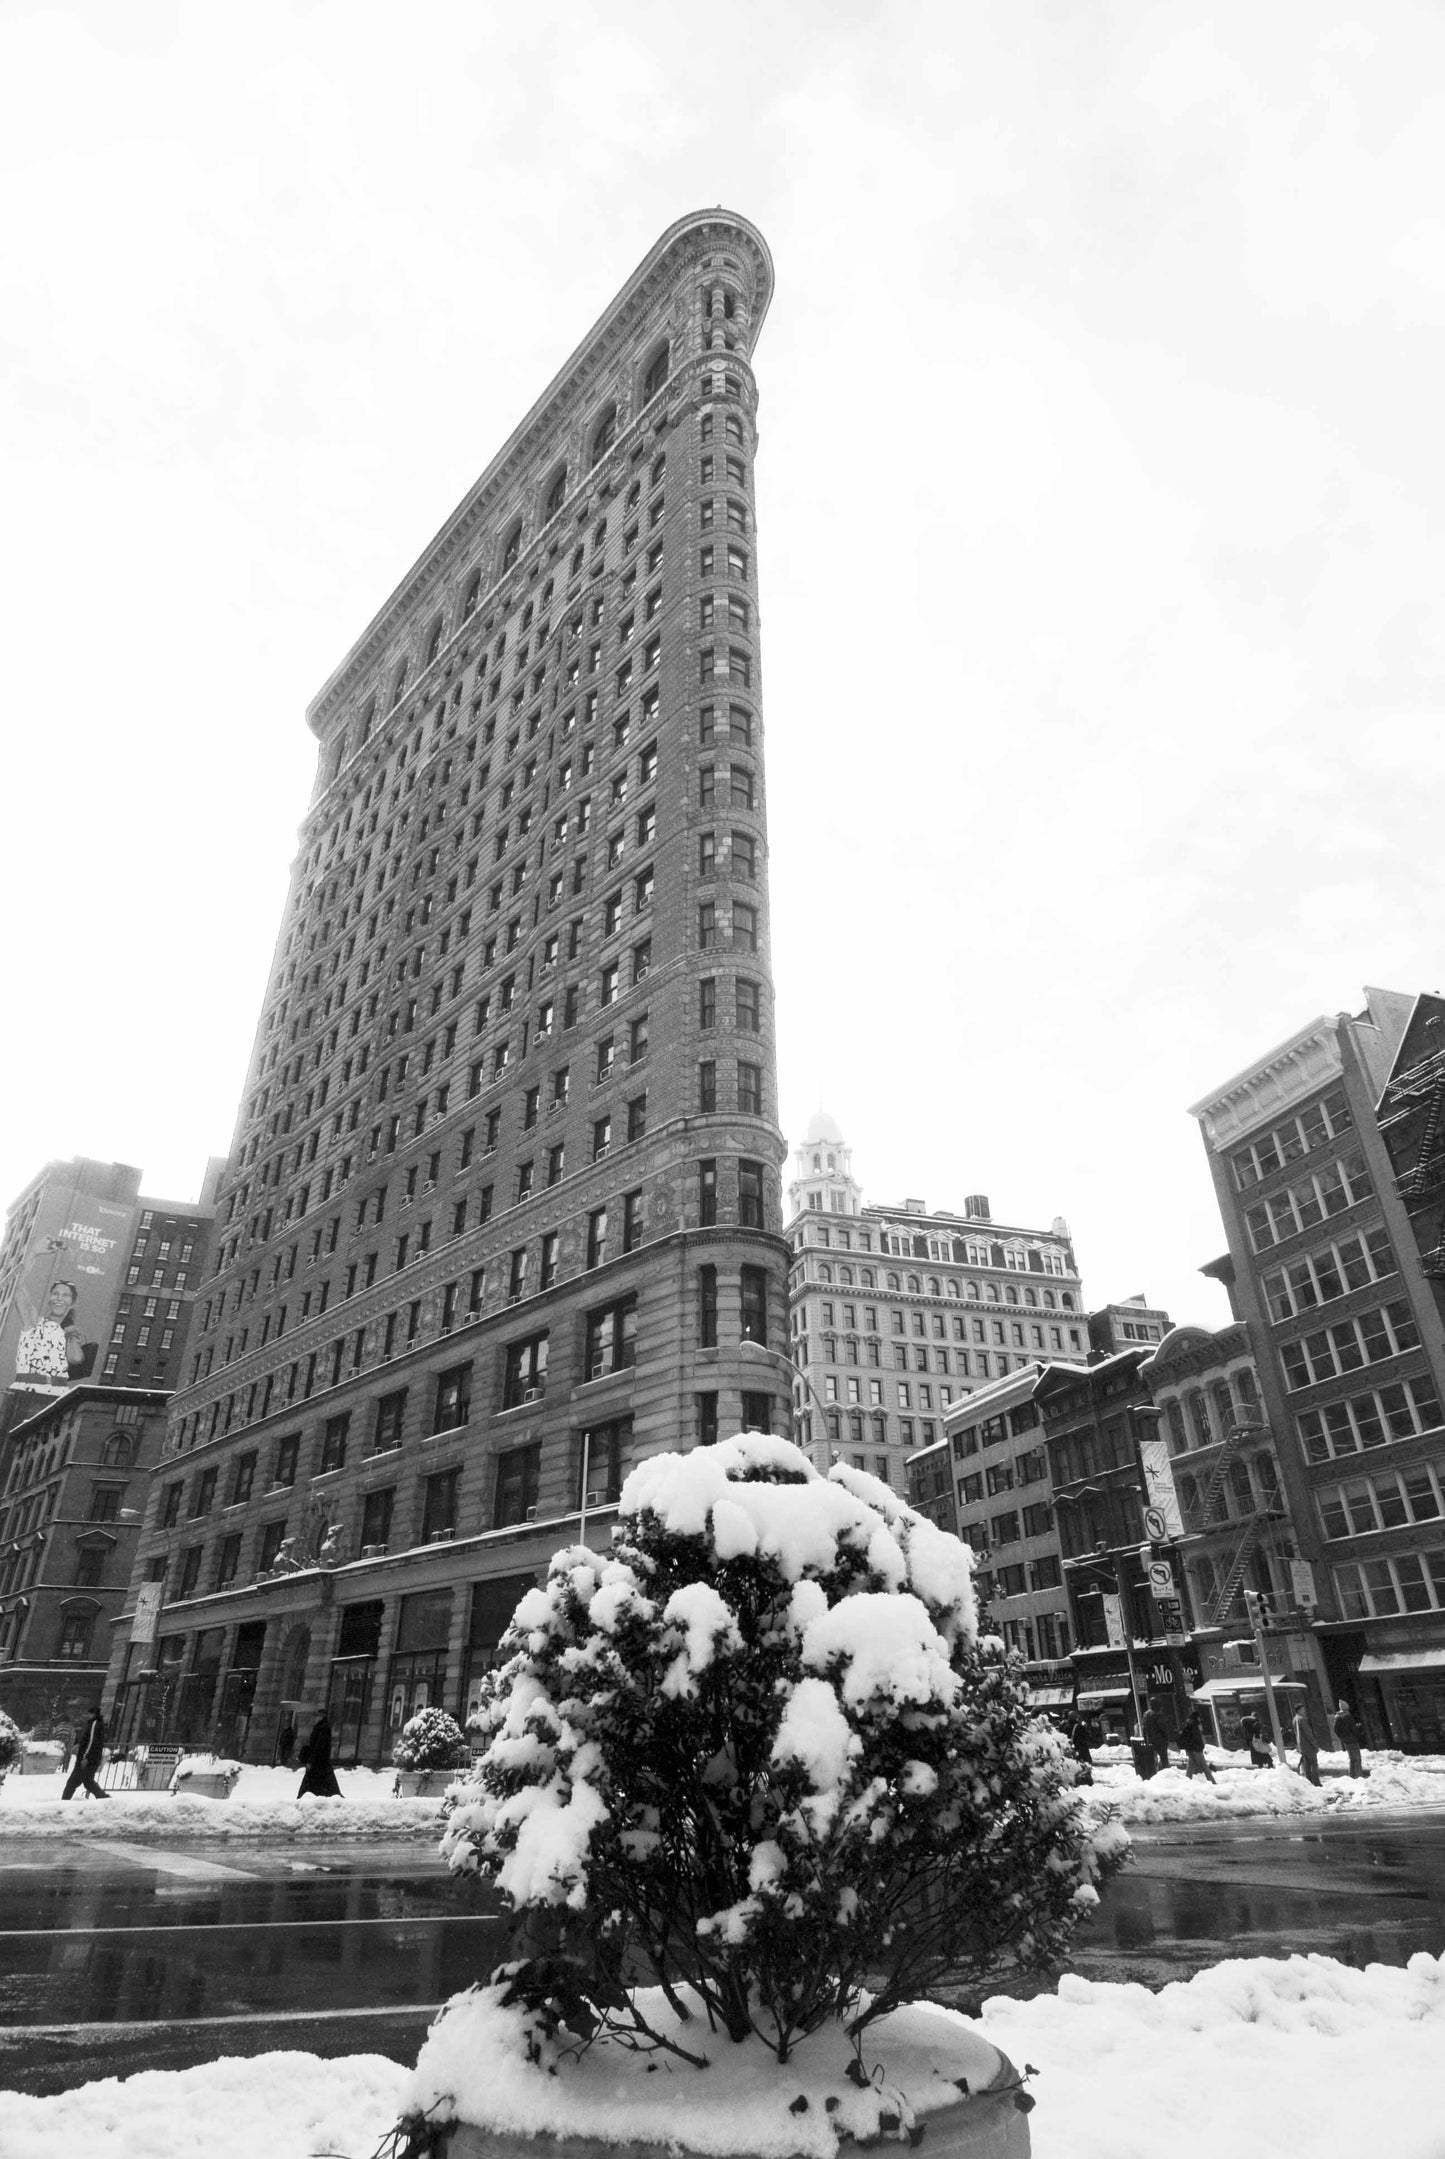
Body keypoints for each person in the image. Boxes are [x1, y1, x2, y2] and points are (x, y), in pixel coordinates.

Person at [15, 1280, 85, 1389]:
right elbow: (22, 1300)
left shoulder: (69, 1332)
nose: (59, 1298)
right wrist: (20, 1280)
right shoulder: (36, 1323)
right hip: (26, 1389)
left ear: (73, 1303)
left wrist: (70, 1337)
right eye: (55, 1293)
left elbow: (76, 1359)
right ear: (50, 1298)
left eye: (65, 1295)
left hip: (56, 1392)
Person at [62, 1706, 109, 1801]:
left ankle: (104, 1798)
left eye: (89, 1713)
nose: (87, 1715)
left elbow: (91, 1741)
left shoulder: (94, 1724)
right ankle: (103, 1798)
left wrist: (85, 1757)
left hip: (87, 1760)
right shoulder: (95, 1724)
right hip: (90, 1759)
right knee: (82, 1781)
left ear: (93, 1714)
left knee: (80, 1781)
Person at [296, 1712, 341, 1798]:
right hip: (320, 1761)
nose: (314, 1719)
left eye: (316, 1716)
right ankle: (310, 1794)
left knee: (315, 1780)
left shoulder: (322, 1729)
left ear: (321, 1717)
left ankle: (305, 1795)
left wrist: (311, 1760)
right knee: (325, 1781)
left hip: (319, 1761)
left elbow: (318, 1747)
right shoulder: (320, 1728)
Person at [1179, 1708, 1216, 1782]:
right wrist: (1201, 1746)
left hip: (1190, 1748)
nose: (1200, 1719)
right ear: (1197, 1717)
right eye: (1199, 1717)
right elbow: (1197, 1737)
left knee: (1190, 1766)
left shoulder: (1187, 1723)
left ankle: (1187, 1780)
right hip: (1196, 1748)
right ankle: (1212, 1781)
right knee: (1204, 1766)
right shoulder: (1194, 1724)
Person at [1332, 1701, 1367, 1779]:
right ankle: (1359, 1775)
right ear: (1346, 1708)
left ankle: (1352, 1775)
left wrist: (1343, 1737)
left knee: (1352, 1759)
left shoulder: (1338, 1718)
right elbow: (1353, 1729)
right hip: (1352, 1740)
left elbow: (1336, 1730)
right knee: (1357, 1758)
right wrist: (1358, 1728)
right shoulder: (1348, 1716)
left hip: (1346, 1741)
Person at [1293, 1707, 1322, 1786]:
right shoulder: (1302, 1720)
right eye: (1302, 1709)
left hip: (1302, 1746)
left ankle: (1309, 1781)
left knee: (1307, 1765)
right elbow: (1308, 1733)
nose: (1304, 1711)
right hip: (1308, 1745)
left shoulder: (1295, 1720)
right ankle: (1316, 1782)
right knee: (1314, 1764)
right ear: (1299, 1710)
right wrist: (1314, 1744)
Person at [1142, 1702, 1171, 1771]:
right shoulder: (1158, 1714)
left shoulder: (1146, 1714)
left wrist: (1145, 1739)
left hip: (1150, 1740)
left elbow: (1144, 1728)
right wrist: (1166, 1737)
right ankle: (1165, 1771)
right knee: (1164, 1759)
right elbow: (1162, 1727)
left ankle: (1154, 1772)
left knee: (1152, 1759)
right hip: (1160, 1740)